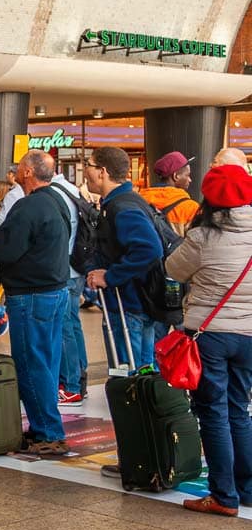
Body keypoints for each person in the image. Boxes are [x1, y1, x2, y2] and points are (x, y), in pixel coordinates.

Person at [165, 164, 252, 516]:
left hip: (209, 336)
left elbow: (173, 269)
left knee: (213, 414)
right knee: (240, 411)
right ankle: (246, 489)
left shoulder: (202, 237)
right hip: (249, 334)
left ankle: (223, 496)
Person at [0, 151, 71, 456]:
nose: (16, 172)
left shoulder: (27, 205)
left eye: (19, 167)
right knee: (47, 361)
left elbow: (7, 249)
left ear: (29, 172)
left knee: (32, 364)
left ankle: (48, 431)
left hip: (31, 295)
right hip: (57, 290)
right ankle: (43, 426)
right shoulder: (58, 201)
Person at [84, 146, 164, 370]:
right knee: (144, 373)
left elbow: (149, 249)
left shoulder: (123, 207)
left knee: (129, 375)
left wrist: (110, 276)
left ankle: (135, 405)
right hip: (139, 302)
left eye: (88, 165)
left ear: (103, 171)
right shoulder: (127, 201)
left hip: (128, 305)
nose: (85, 172)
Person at [48, 171, 87, 406]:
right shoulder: (72, 190)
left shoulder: (52, 194)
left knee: (64, 329)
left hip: (64, 271)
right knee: (73, 325)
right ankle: (80, 379)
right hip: (77, 268)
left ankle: (71, 385)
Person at [141, 151, 200, 237]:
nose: (190, 180)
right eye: (187, 175)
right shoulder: (190, 208)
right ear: (176, 176)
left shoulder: (141, 200)